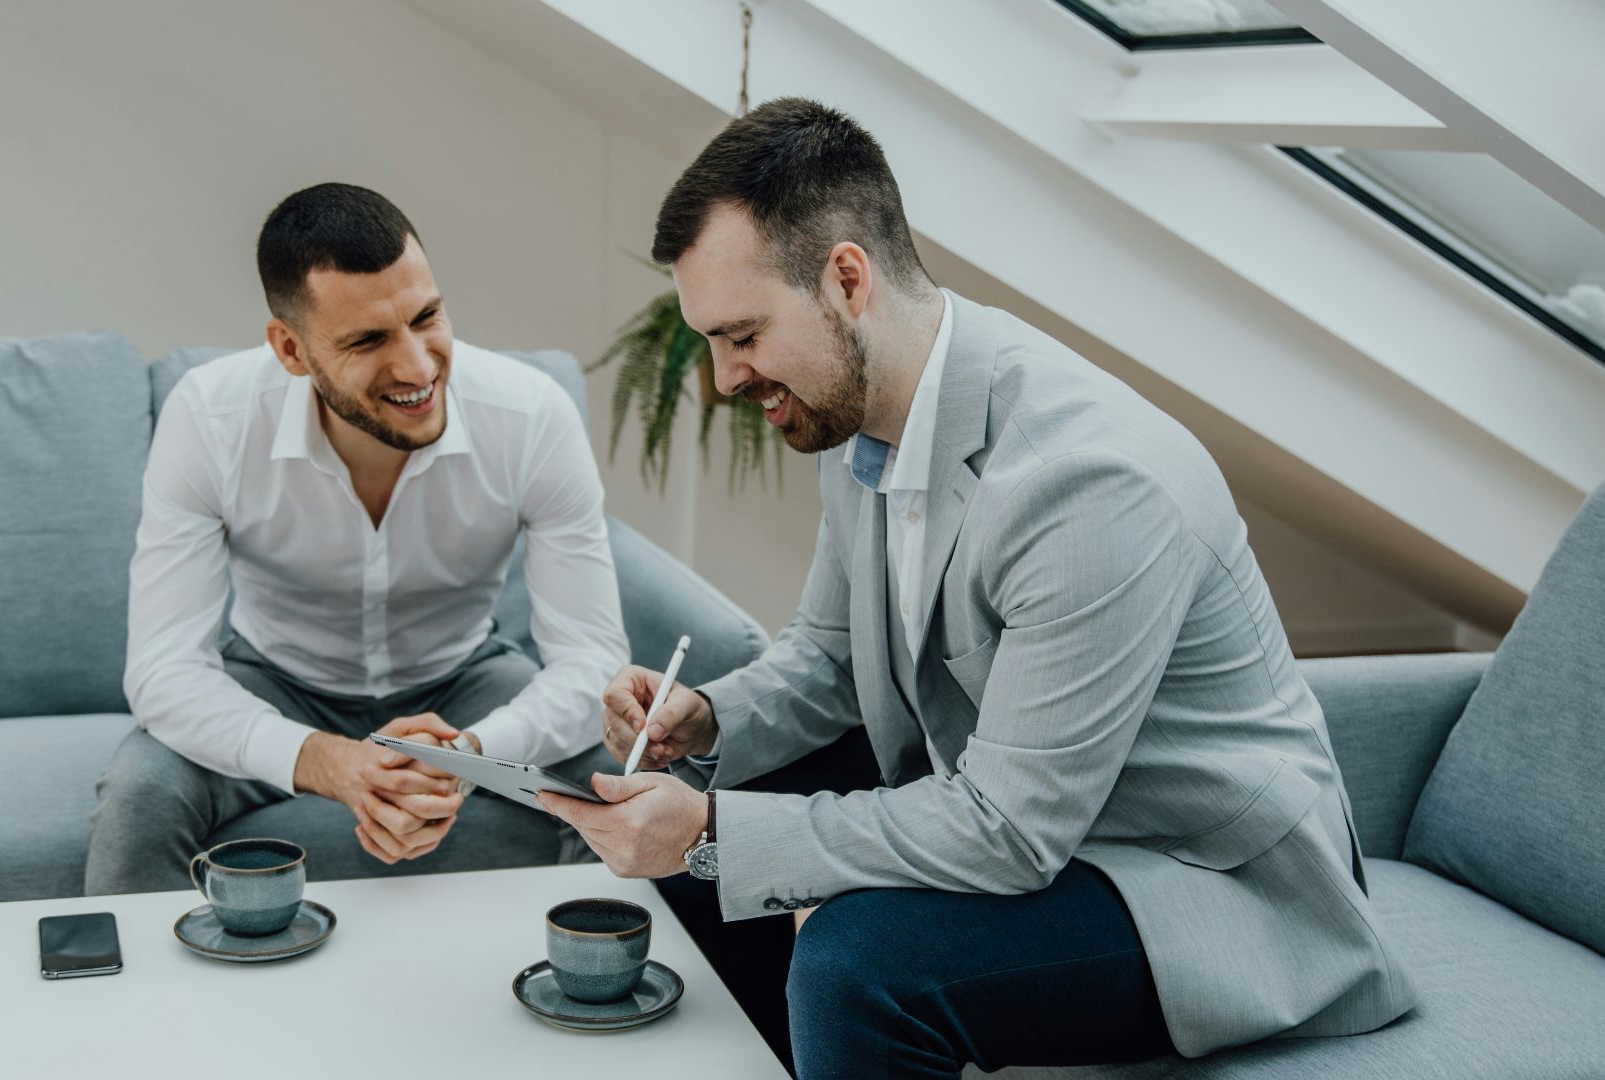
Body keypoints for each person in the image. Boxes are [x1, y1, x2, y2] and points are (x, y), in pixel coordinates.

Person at [540, 99, 1415, 1079]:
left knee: (855, 964)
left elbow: (1009, 830)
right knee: (714, 822)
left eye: (741, 335)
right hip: (1048, 821)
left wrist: (711, 830)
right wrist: (698, 720)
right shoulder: (856, 420)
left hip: (1195, 878)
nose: (722, 377)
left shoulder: (1086, 481)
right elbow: (828, 662)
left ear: (845, 280)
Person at [86, 183, 628, 894]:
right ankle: (141, 1009)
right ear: (290, 348)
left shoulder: (531, 417)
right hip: (276, 679)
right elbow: (163, 672)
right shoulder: (210, 419)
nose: (417, 367)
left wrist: (469, 753)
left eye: (426, 317)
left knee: (616, 783)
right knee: (140, 798)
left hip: (464, 679)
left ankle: (586, 993)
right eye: (368, 340)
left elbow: (593, 663)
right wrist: (329, 761)